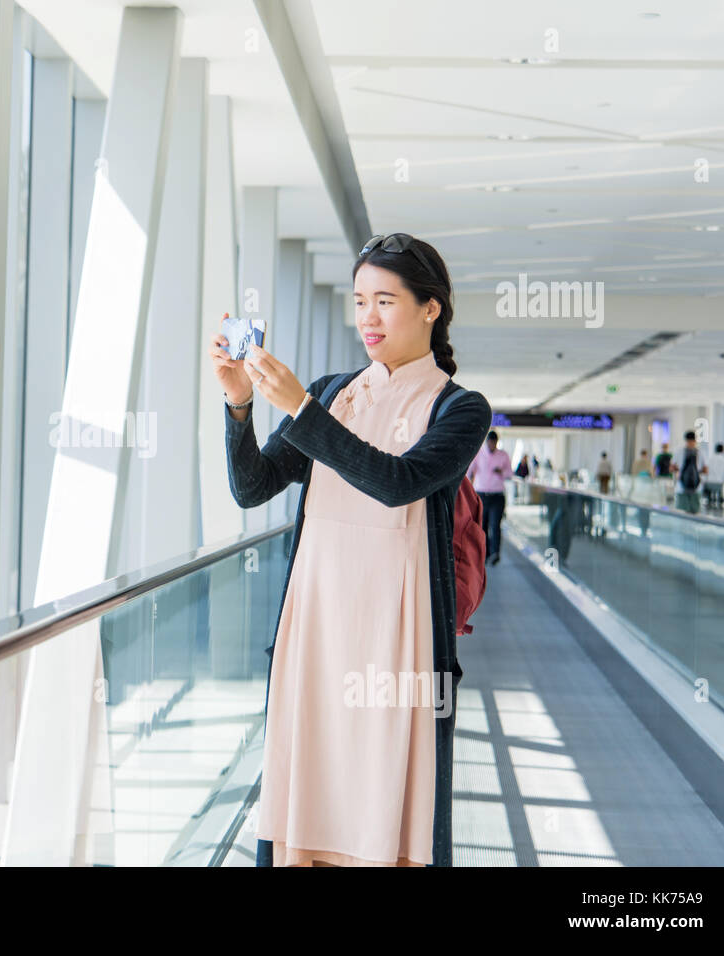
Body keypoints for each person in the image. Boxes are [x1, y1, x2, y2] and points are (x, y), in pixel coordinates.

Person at [213, 232, 490, 868]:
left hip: (397, 643)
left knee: (384, 815)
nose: (368, 316)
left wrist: (303, 411)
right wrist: (240, 401)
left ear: (430, 309)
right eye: (360, 300)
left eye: (386, 300)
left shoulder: (459, 408)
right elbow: (254, 487)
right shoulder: (334, 390)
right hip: (315, 633)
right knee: (307, 804)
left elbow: (398, 484)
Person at [467, 431, 511, 566]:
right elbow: (469, 472)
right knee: (482, 526)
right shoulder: (479, 454)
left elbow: (509, 474)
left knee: (495, 525)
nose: (492, 445)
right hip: (481, 495)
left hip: (497, 496)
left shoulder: (503, 455)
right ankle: (484, 554)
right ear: (487, 442)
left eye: (494, 443)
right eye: (490, 442)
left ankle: (495, 553)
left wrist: (501, 472)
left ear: (497, 443)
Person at [672, 431, 702, 514]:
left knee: (685, 513)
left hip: (688, 487)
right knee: (690, 513)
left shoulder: (679, 451)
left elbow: (672, 468)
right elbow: (705, 470)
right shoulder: (700, 452)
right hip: (689, 487)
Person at [703, 442, 724, 510]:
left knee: (709, 498)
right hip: (719, 484)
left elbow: (705, 472)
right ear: (723, 450)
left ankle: (709, 504)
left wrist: (704, 482)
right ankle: (719, 506)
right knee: (720, 494)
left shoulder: (709, 459)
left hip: (709, 484)